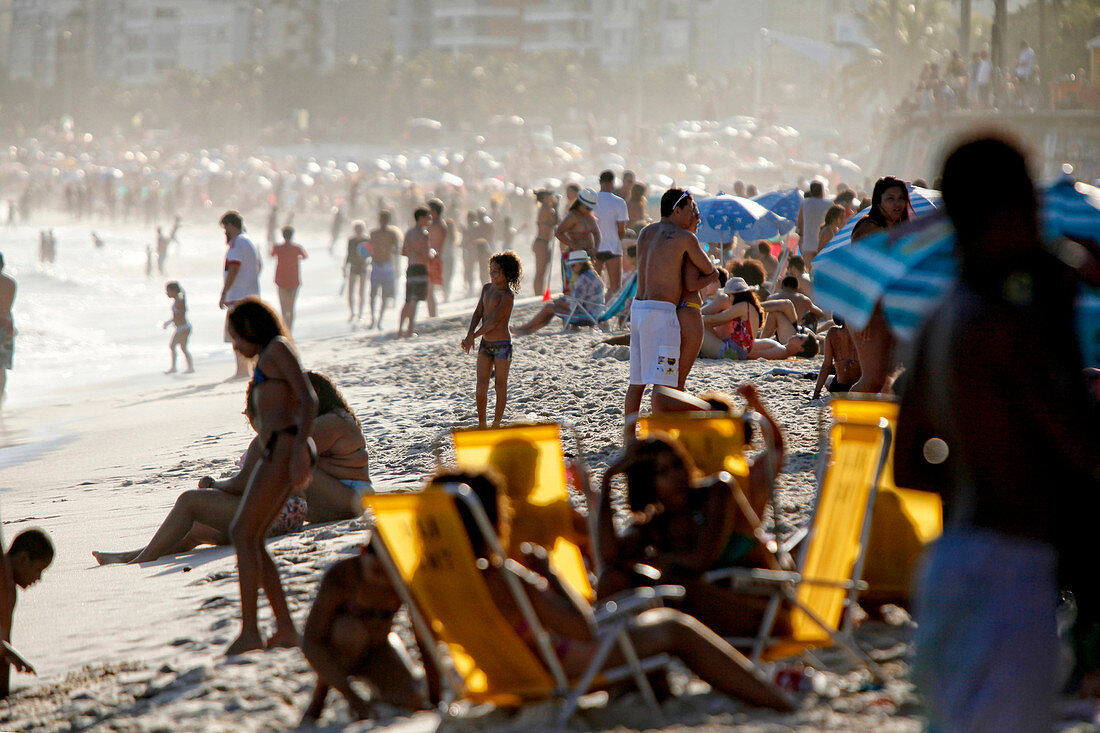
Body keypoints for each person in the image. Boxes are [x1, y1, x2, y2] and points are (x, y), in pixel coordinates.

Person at [895, 135, 1100, 732]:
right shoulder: (1008, 323)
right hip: (1010, 578)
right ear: (1013, 210)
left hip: (950, 567)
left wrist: (979, 472)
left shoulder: (943, 315)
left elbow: (908, 467)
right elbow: (1081, 447)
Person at [453, 469, 793, 712]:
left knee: (636, 608)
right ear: (493, 519)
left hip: (508, 672)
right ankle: (777, 701)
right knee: (674, 626)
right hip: (566, 664)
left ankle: (660, 699)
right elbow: (583, 628)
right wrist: (550, 574)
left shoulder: (445, 580)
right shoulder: (505, 578)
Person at [92, 372, 368, 566]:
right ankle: (134, 554)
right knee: (198, 529)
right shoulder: (321, 422)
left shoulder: (327, 423)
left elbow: (251, 480)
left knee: (191, 501)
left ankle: (143, 559)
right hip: (305, 506)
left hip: (342, 499)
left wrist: (217, 485)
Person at [599, 384, 787, 638]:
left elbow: (701, 560)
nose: (677, 475)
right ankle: (597, 651)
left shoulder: (718, 491)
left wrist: (653, 562)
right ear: (648, 484)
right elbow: (611, 558)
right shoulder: (657, 522)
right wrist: (607, 480)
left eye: (678, 463)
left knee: (677, 583)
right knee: (615, 578)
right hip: (707, 620)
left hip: (764, 614)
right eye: (664, 473)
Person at [223, 298, 317, 655]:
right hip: (278, 448)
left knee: (243, 533)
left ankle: (251, 632)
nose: (234, 346)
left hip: (286, 447)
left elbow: (309, 399)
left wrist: (298, 456)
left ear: (251, 330)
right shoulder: (268, 355)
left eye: (235, 338)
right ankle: (284, 629)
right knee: (250, 535)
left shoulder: (277, 349)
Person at [300, 542, 441, 723]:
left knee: (411, 699)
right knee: (351, 631)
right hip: (341, 649)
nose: (382, 580)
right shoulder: (343, 577)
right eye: (376, 571)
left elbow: (425, 640)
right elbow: (311, 642)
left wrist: (435, 699)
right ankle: (324, 691)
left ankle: (372, 699)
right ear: (362, 553)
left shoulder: (402, 579)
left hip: (379, 648)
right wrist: (351, 696)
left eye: (389, 572)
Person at [625, 189, 718, 432]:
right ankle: (661, 433)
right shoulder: (684, 237)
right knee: (664, 382)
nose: (693, 216)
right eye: (690, 211)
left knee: (637, 382)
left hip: (638, 309)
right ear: (676, 210)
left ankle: (629, 436)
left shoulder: (645, 232)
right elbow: (708, 269)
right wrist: (716, 272)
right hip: (662, 313)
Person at [849, 178, 911, 394]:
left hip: (890, 309)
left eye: (901, 198)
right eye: (890, 199)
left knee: (889, 380)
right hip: (867, 306)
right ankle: (847, 421)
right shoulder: (869, 229)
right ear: (878, 202)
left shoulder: (900, 229)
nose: (897, 204)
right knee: (873, 379)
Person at [462, 251, 521, 428]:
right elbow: (478, 312)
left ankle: (496, 423)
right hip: (485, 345)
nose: (492, 275)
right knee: (481, 385)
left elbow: (493, 322)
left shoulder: (507, 297)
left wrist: (473, 336)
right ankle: (482, 423)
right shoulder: (487, 288)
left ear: (507, 274)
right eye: (491, 271)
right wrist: (470, 333)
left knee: (500, 386)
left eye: (496, 272)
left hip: (502, 346)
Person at [700, 278, 817, 361]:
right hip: (730, 348)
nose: (797, 335)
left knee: (697, 327)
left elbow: (752, 355)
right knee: (702, 325)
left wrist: (698, 318)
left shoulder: (781, 352)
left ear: (800, 349)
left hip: (729, 352)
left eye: (800, 337)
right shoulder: (780, 348)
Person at [0, 529, 53, 698]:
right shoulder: (4, 577)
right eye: (38, 569)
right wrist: (8, 652)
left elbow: (5, 636)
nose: (39, 578)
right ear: (23, 559)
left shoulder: (10, 589)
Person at [513, 250, 604, 336]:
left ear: (581, 264)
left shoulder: (582, 279)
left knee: (549, 307)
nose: (571, 269)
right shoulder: (592, 274)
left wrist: (560, 302)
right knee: (552, 306)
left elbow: (575, 305)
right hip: (595, 313)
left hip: (586, 316)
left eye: (573, 266)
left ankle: (525, 328)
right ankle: (527, 329)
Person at [218, 211, 261, 380]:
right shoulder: (250, 241)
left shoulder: (236, 243)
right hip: (251, 293)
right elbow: (258, 267)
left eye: (225, 228)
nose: (224, 232)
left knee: (238, 334)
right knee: (249, 333)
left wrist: (224, 292)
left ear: (230, 225)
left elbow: (234, 268)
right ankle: (249, 369)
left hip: (238, 295)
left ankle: (242, 370)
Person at [554, 188, 600, 294]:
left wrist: (595, 248)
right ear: (580, 204)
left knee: (588, 285)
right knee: (572, 285)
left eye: (591, 208)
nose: (589, 210)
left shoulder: (589, 217)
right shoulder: (573, 216)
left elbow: (597, 234)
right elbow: (558, 233)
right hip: (574, 255)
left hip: (587, 255)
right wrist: (574, 245)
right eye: (587, 207)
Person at [593, 170, 629, 298]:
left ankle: (595, 311)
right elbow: (621, 229)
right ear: (612, 183)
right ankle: (614, 313)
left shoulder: (592, 201)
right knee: (615, 287)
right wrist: (617, 239)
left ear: (600, 182)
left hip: (595, 247)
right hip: (613, 247)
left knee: (594, 285)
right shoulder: (619, 202)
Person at [397, 208, 431, 338]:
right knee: (415, 301)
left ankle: (400, 329)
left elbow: (403, 251)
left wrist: (413, 253)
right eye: (427, 218)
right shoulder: (423, 234)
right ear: (421, 218)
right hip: (420, 268)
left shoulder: (409, 232)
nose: (429, 220)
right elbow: (425, 254)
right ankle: (410, 330)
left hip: (410, 267)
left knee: (408, 300)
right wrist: (432, 254)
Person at [812, 315, 861, 398]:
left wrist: (816, 393)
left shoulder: (833, 333)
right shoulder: (864, 333)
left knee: (829, 380)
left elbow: (827, 366)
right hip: (861, 386)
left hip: (840, 387)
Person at [367, 210, 400, 330]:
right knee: (373, 294)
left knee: (385, 296)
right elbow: (369, 248)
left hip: (387, 265)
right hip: (376, 264)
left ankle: (379, 320)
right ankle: (372, 319)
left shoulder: (392, 234)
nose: (383, 222)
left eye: (384, 219)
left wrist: (389, 250)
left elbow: (397, 250)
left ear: (387, 221)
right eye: (381, 219)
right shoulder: (373, 233)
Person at [270, 226, 307, 332]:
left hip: (281, 279)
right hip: (294, 279)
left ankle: (285, 331)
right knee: (291, 308)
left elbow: (271, 254)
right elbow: (305, 256)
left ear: (282, 235)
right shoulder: (297, 248)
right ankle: (289, 330)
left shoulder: (277, 247)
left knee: (283, 308)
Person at [531, 190, 559, 297]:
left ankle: (540, 293)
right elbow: (556, 220)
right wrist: (556, 207)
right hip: (541, 243)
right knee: (540, 271)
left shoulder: (546, 209)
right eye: (549, 196)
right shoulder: (546, 209)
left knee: (542, 271)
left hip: (544, 243)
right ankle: (538, 294)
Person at [796, 181, 831, 265]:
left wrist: (800, 235)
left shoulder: (805, 203)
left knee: (809, 269)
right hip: (823, 242)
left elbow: (800, 223)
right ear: (822, 191)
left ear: (811, 191)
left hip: (808, 242)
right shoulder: (829, 204)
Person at [162, 281, 193, 374]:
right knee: (180, 347)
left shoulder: (180, 300)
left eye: (168, 291)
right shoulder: (177, 300)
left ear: (173, 291)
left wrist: (172, 321)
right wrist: (169, 322)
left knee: (175, 346)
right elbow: (176, 316)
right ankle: (187, 367)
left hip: (183, 328)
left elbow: (181, 313)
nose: (167, 293)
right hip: (181, 328)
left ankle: (177, 368)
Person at [344, 220, 370, 323]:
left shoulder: (366, 240)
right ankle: (352, 313)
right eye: (357, 229)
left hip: (363, 267)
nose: (358, 231)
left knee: (361, 291)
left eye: (360, 229)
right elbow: (349, 254)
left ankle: (360, 313)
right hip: (353, 267)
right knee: (351, 291)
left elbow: (369, 255)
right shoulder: (351, 241)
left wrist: (367, 263)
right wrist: (345, 266)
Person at [426, 199, 448, 316]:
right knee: (429, 290)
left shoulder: (437, 225)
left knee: (429, 290)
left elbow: (433, 244)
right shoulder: (439, 224)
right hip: (434, 259)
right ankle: (432, 314)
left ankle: (432, 314)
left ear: (434, 211)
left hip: (433, 260)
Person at [0, 254, 14, 404]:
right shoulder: (11, 283)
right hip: (7, 323)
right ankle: (1, 394)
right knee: (1, 366)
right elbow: (8, 306)